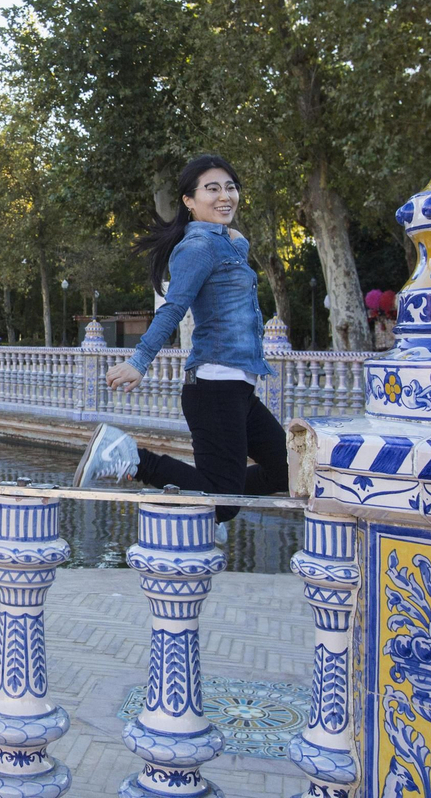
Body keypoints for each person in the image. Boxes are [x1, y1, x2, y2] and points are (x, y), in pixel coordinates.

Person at [71, 154, 289, 535]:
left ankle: (209, 500)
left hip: (238, 389)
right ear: (189, 200)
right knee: (224, 503)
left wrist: (239, 245)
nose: (225, 196)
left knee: (285, 470)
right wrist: (139, 361)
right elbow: (173, 308)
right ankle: (132, 458)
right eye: (212, 189)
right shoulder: (198, 247)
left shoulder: (225, 243)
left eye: (230, 187)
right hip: (214, 388)